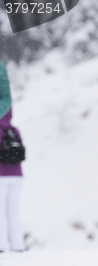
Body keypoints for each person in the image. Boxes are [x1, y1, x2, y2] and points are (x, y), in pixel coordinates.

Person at [0, 61, 25, 253]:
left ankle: (1, 246)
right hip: (17, 175)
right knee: (13, 212)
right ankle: (18, 246)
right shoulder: (14, 129)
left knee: (0, 213)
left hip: (0, 175)